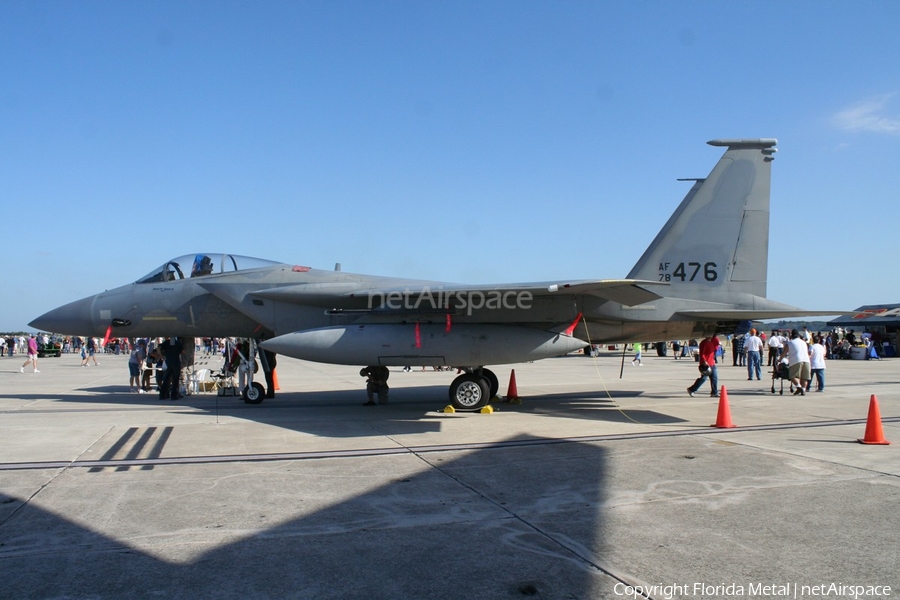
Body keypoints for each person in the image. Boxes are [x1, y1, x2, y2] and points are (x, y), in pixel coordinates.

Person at [782, 329, 810, 395]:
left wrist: (779, 359)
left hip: (796, 360)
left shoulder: (790, 343)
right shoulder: (804, 342)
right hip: (806, 360)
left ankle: (799, 387)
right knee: (804, 378)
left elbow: (784, 352)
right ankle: (803, 390)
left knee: (792, 376)